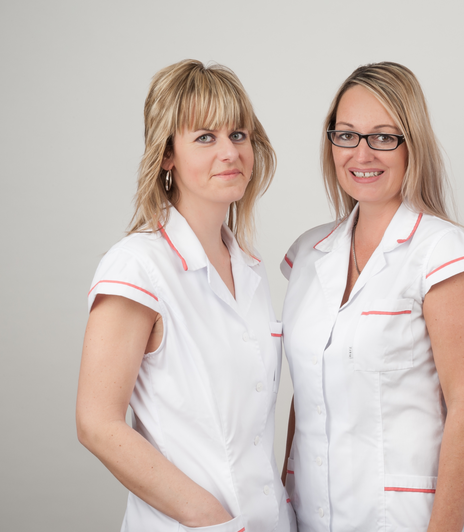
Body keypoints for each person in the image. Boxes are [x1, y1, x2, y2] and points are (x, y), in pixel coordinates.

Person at [76, 59, 296, 532]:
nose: (230, 152)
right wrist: (213, 520)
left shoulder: (250, 269)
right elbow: (97, 423)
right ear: (167, 156)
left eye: (238, 135)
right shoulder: (138, 266)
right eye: (205, 137)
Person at [280, 62, 464, 531]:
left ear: (412, 143)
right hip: (306, 514)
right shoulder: (309, 253)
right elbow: (307, 392)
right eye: (346, 135)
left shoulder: (442, 251)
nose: (362, 153)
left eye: (382, 136)